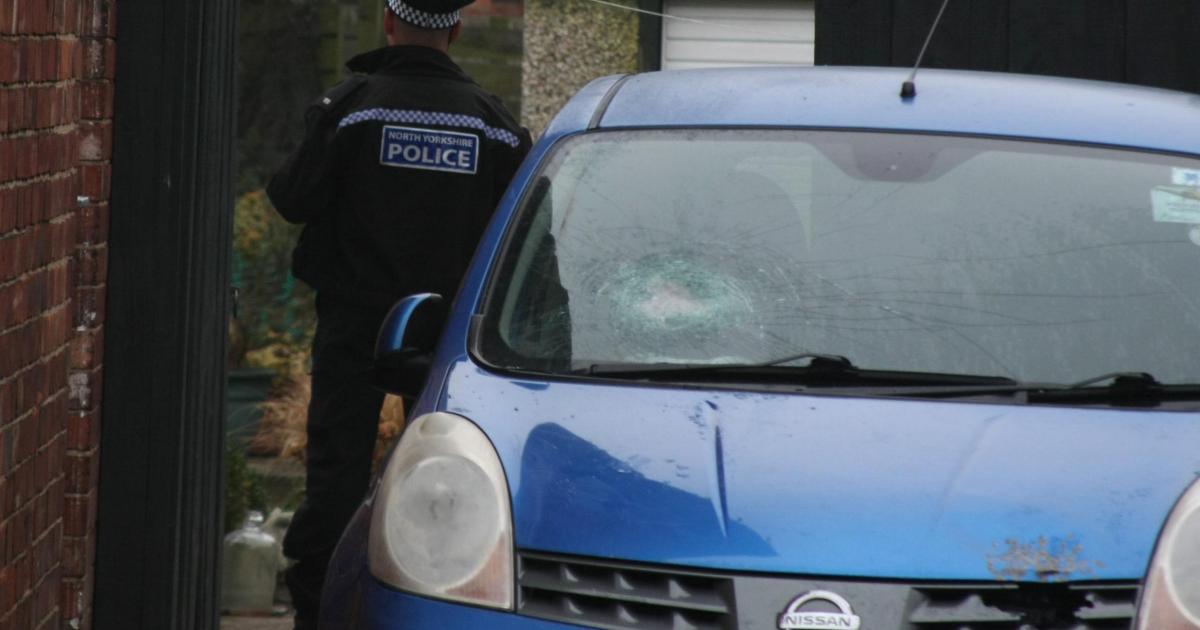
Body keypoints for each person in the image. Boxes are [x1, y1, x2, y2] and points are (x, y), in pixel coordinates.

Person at [266, 1, 531, 627]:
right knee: (446, 481)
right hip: (448, 339)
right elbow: (523, 243)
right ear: (456, 31)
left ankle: (319, 613)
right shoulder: (491, 124)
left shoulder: (352, 108)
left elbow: (290, 197)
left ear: (389, 22)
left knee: (335, 480)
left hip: (355, 326)